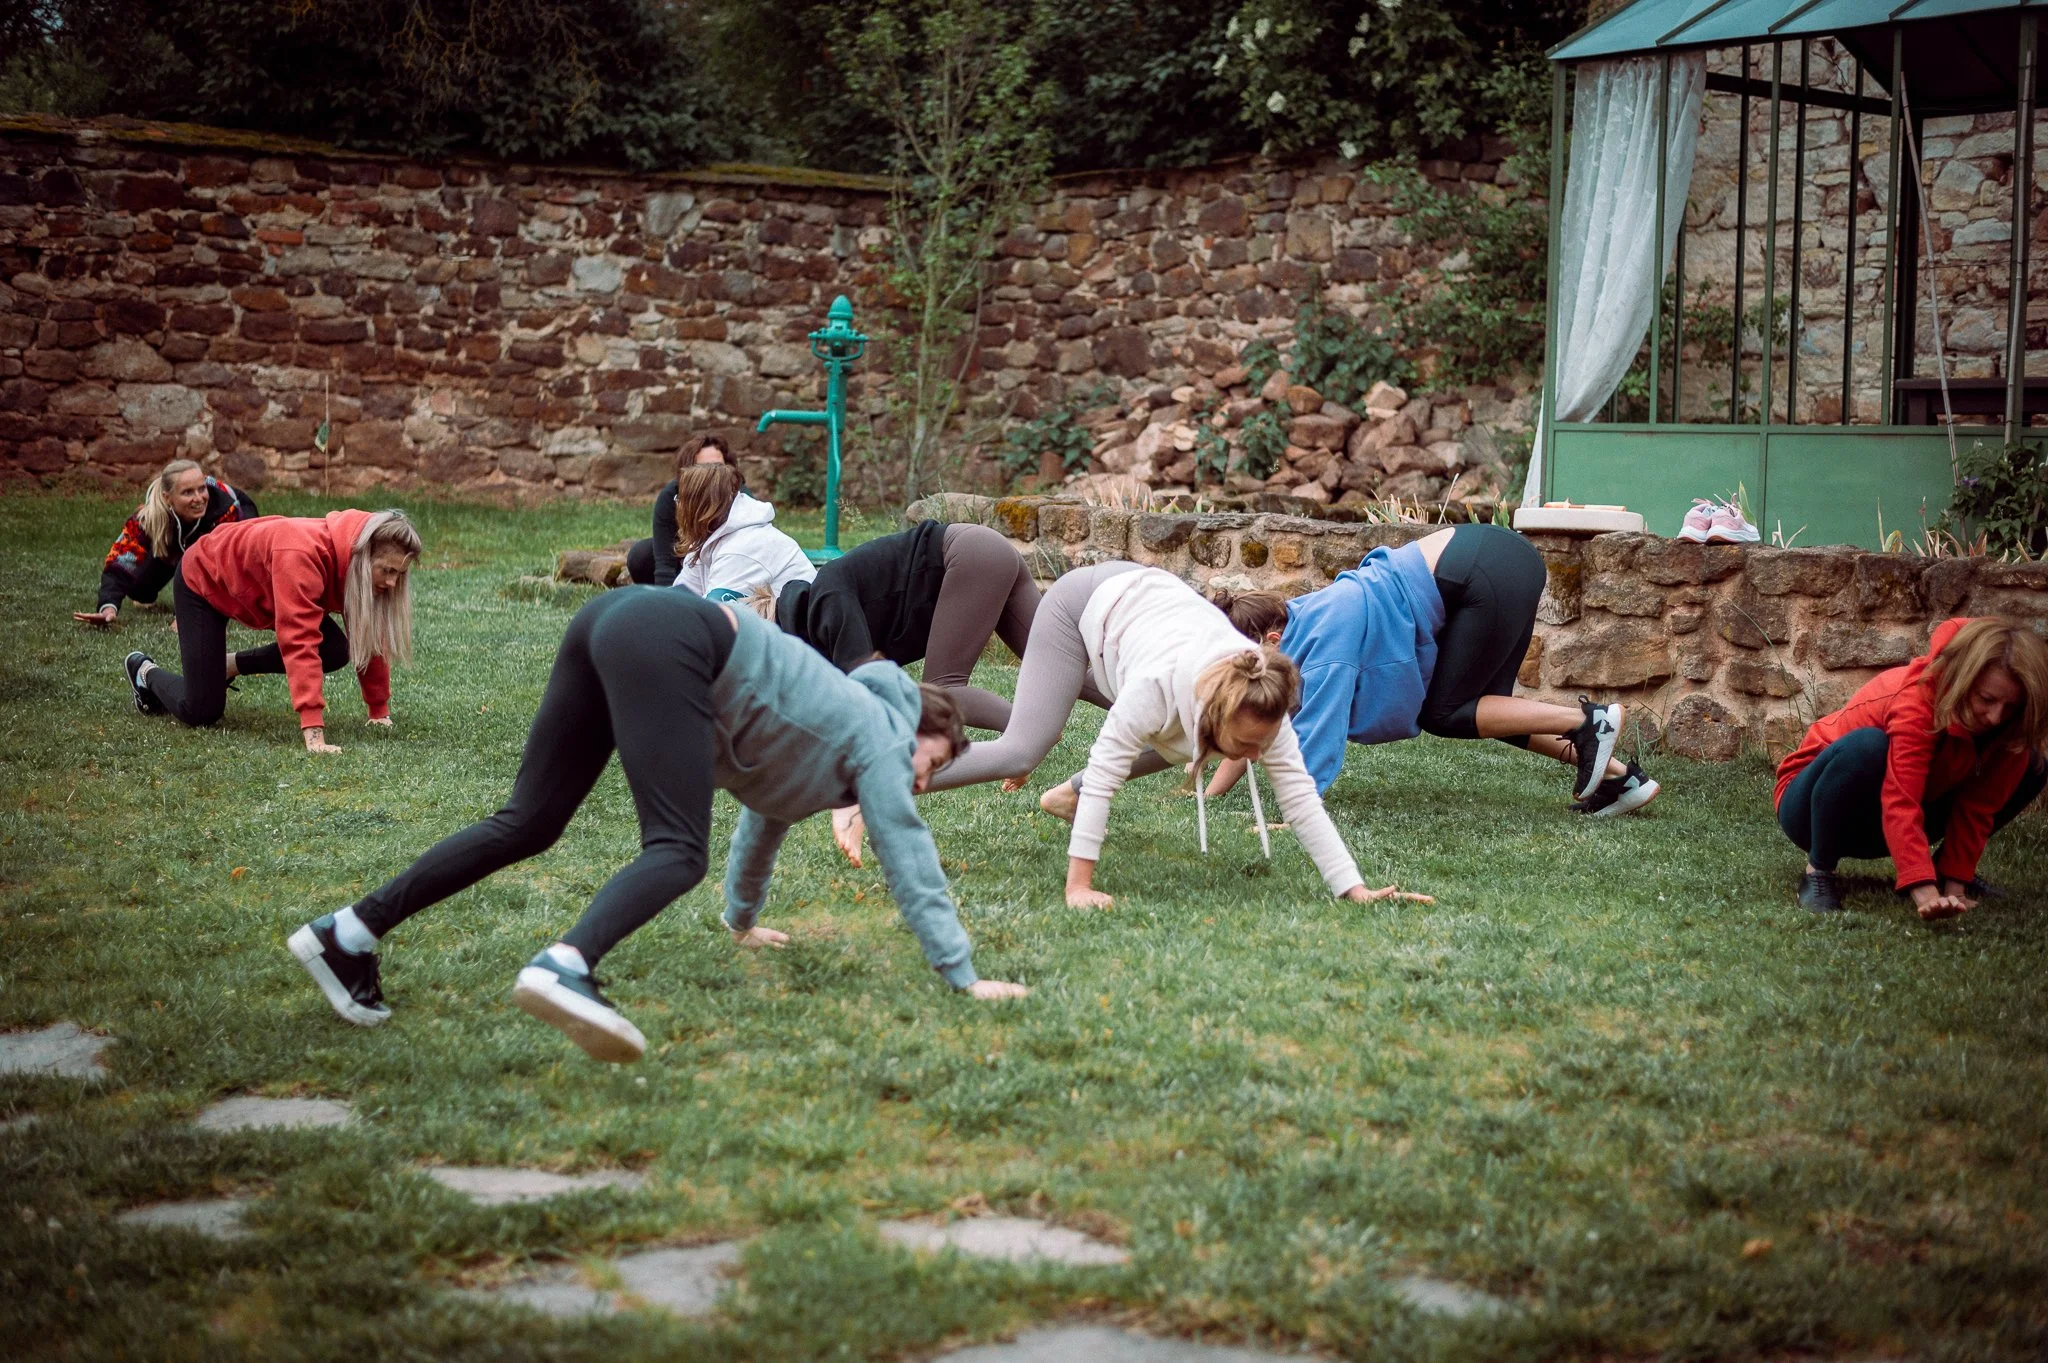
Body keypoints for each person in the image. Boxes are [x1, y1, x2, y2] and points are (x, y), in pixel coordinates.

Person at [286, 587, 1028, 1062]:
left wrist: (741, 921)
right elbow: (908, 849)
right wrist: (962, 976)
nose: (924, 779)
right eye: (935, 760)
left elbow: (766, 818)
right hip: (673, 635)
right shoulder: (879, 730)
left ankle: (346, 933)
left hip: (618, 622)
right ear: (921, 727)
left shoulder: (821, 744)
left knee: (530, 821)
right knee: (675, 849)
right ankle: (564, 966)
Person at [924, 562, 1430, 910]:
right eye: (1248, 744)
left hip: (1149, 611)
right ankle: (875, 777)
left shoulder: (1260, 704)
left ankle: (1062, 795)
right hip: (1083, 605)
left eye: (1262, 744)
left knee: (1180, 742)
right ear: (1216, 710)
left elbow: (1299, 800)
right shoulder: (1155, 689)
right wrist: (1079, 886)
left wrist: (1353, 888)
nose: (1257, 755)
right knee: (1021, 749)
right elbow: (1105, 776)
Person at [1190, 524, 1655, 817]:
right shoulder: (1300, 621)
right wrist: (1207, 793)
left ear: (1270, 641)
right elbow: (1261, 719)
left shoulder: (1327, 643)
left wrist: (1295, 810)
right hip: (1501, 560)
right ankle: (1622, 781)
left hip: (1483, 568)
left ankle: (1588, 721)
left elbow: (1319, 735)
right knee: (1488, 714)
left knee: (1446, 713)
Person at [753, 516, 1110, 866]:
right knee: (1065, 669)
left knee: (945, 689)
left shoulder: (826, 601)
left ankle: (1030, 729)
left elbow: (869, 691)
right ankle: (1155, 703)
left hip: (969, 558)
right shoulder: (821, 620)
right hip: (982, 552)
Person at [1774, 616, 2048, 917]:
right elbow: (1900, 798)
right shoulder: (1917, 699)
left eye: (2009, 706)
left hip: (1887, 818)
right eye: (1986, 699)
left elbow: (1978, 808)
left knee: (2032, 764)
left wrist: (1953, 887)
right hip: (1812, 810)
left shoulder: (2008, 725)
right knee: (1869, 747)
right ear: (1962, 680)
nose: (1996, 717)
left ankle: (1945, 871)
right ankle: (1818, 872)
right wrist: (1922, 890)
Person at [122, 509, 421, 753]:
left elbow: (371, 635)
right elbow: (298, 641)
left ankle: (227, 665)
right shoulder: (301, 553)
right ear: (364, 557)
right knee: (202, 710)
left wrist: (378, 712)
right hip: (204, 581)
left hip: (256, 588)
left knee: (334, 649)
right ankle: (144, 671)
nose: (393, 583)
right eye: (388, 571)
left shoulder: (360, 554)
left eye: (400, 574)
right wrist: (313, 732)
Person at [76, 459, 257, 626]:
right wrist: (108, 607)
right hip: (176, 537)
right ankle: (171, 561)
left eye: (202, 489)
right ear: (167, 497)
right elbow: (120, 562)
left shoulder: (228, 512)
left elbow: (221, 572)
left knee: (239, 588)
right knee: (139, 590)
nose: (199, 498)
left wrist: (190, 615)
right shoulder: (147, 517)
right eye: (187, 492)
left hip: (225, 529)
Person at [671, 462, 815, 602]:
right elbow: (678, 601)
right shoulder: (705, 542)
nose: (677, 505)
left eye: (680, 499)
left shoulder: (742, 548)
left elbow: (715, 618)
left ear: (697, 506)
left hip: (789, 626)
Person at [625, 435, 735, 587]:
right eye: (704, 468)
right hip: (687, 566)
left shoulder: (739, 498)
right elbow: (665, 562)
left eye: (719, 467)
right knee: (642, 555)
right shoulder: (672, 496)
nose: (713, 474)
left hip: (729, 567)